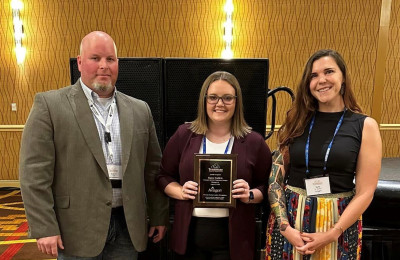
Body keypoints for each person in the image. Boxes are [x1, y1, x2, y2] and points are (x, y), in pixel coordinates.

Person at [19, 31, 169, 259]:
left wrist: (158, 215)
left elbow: (153, 169)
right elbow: (34, 174)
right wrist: (44, 227)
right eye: (95, 58)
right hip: (75, 229)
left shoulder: (140, 110)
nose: (104, 66)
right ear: (80, 62)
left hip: (128, 227)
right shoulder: (49, 106)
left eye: (110, 59)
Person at [266, 49, 382, 259]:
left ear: (343, 77)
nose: (321, 80)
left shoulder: (365, 126)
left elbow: (366, 191)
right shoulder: (296, 121)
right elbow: (275, 180)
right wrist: (285, 228)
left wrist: (332, 233)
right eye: (314, 75)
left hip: (338, 226)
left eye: (329, 72)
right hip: (291, 224)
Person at [157, 71, 272, 260]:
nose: (220, 104)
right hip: (189, 236)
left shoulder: (254, 141)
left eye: (227, 98)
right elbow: (163, 176)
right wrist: (181, 192)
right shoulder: (184, 135)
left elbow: (267, 186)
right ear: (204, 100)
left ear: (237, 101)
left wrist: (250, 195)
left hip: (235, 239)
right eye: (213, 97)